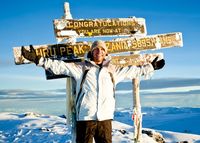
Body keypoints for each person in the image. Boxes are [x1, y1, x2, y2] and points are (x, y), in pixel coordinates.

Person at [21, 40, 165, 143]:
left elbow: (132, 71)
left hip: (105, 119)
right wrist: (38, 59)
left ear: (105, 53)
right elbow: (59, 66)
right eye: (96, 49)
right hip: (85, 118)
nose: (99, 52)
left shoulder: (112, 70)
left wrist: (151, 67)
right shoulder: (82, 68)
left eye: (102, 49)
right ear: (92, 52)